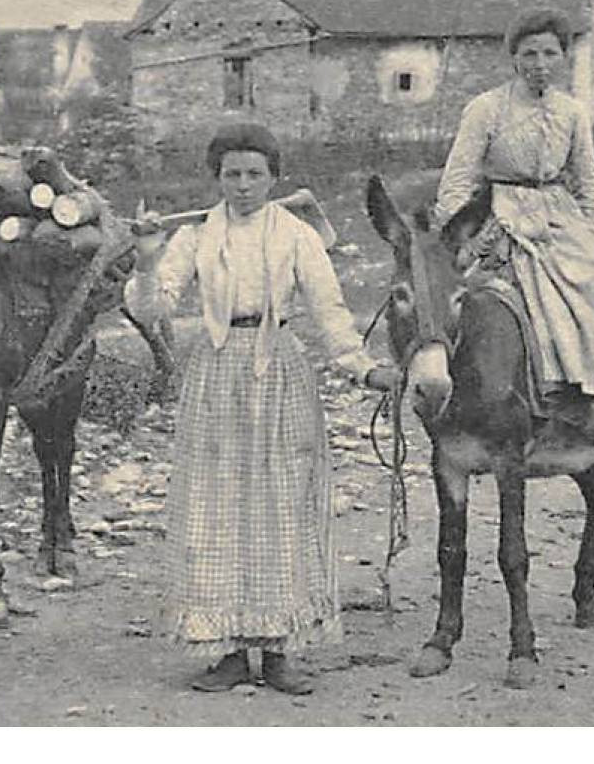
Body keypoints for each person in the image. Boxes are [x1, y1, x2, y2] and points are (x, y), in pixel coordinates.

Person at [127, 123, 399, 695]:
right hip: (216, 375)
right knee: (216, 506)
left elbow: (329, 312)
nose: (244, 186)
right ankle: (226, 649)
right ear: (217, 178)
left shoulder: (297, 235)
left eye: (255, 174)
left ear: (274, 178)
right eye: (232, 174)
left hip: (280, 374)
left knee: (284, 509)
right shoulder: (194, 238)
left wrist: (363, 367)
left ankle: (279, 652)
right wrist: (147, 260)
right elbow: (152, 309)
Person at [432, 7, 594, 480]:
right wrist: (464, 238)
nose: (539, 63)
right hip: (500, 219)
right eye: (529, 54)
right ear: (513, 58)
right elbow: (456, 183)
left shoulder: (571, 112)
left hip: (560, 218)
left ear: (562, 57)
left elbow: (588, 187)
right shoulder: (486, 109)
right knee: (537, 296)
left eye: (549, 54)